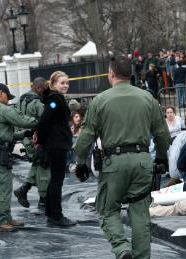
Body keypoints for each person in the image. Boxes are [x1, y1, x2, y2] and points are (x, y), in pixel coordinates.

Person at [74, 56, 170, 259]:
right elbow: (162, 134)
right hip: (142, 160)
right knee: (140, 213)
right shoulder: (147, 98)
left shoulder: (100, 100)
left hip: (114, 163)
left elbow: (85, 137)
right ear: (131, 75)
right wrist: (161, 158)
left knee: (107, 210)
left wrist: (80, 162)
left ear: (111, 74)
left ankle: (121, 248)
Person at [0, 83, 38, 232]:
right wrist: (43, 120)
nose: (8, 100)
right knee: (3, 187)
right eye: (7, 96)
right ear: (0, 93)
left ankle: (6, 218)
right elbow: (23, 121)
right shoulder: (2, 109)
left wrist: (22, 135)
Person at [37, 71, 76, 227]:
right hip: (56, 146)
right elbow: (43, 122)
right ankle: (56, 216)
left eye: (67, 82)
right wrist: (42, 143)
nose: (65, 85)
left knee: (54, 181)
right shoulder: (55, 99)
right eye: (62, 83)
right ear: (53, 84)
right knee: (57, 181)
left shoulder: (55, 98)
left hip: (56, 144)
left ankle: (51, 213)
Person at [13, 78, 51, 210]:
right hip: (36, 139)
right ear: (39, 88)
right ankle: (43, 199)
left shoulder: (22, 99)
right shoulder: (37, 102)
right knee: (44, 168)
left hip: (25, 138)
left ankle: (24, 189)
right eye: (45, 88)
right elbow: (46, 119)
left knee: (37, 164)